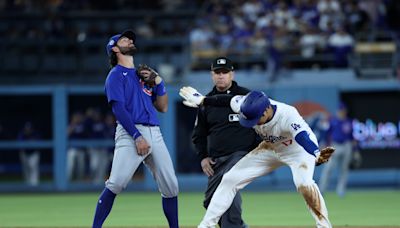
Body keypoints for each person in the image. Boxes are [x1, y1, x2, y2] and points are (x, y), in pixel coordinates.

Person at [180, 89, 332, 228]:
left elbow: (302, 137)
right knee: (230, 179)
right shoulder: (246, 105)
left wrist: (316, 153)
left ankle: (324, 226)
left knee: (304, 184)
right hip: (270, 148)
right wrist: (203, 100)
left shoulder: (288, 114)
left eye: (254, 119)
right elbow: (227, 100)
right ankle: (206, 225)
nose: (251, 122)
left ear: (267, 110)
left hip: (298, 150)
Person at [91, 30, 179, 228]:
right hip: (130, 131)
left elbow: (163, 107)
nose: (130, 40)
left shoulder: (143, 75)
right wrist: (137, 136)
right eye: (125, 39)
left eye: (130, 39)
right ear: (115, 49)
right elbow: (118, 109)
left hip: (154, 132)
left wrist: (158, 81)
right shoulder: (115, 76)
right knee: (116, 183)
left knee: (171, 186)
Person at [191, 57, 260, 228]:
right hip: (217, 160)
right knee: (211, 202)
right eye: (217, 72)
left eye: (225, 72)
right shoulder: (205, 102)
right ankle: (238, 226)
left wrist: (258, 150)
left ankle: (234, 226)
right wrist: (203, 157)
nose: (221, 76)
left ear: (232, 74)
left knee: (229, 182)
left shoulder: (246, 96)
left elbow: (261, 125)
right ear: (211, 75)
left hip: (242, 155)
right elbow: (198, 135)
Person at [318, 102, 357, 197]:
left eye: (342, 110)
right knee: (328, 168)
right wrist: (324, 145)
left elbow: (352, 137)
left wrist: (355, 151)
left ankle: (341, 190)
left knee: (344, 169)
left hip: (347, 145)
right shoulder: (332, 121)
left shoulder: (350, 121)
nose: (341, 112)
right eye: (340, 110)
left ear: (345, 111)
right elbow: (326, 134)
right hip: (334, 145)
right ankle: (321, 190)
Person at [18, 121, 41, 186]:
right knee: (26, 170)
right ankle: (27, 186)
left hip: (33, 153)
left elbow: (39, 143)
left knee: (33, 168)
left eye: (29, 129)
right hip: (25, 153)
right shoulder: (22, 134)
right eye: (26, 129)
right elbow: (19, 144)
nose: (28, 130)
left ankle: (34, 185)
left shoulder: (35, 134)